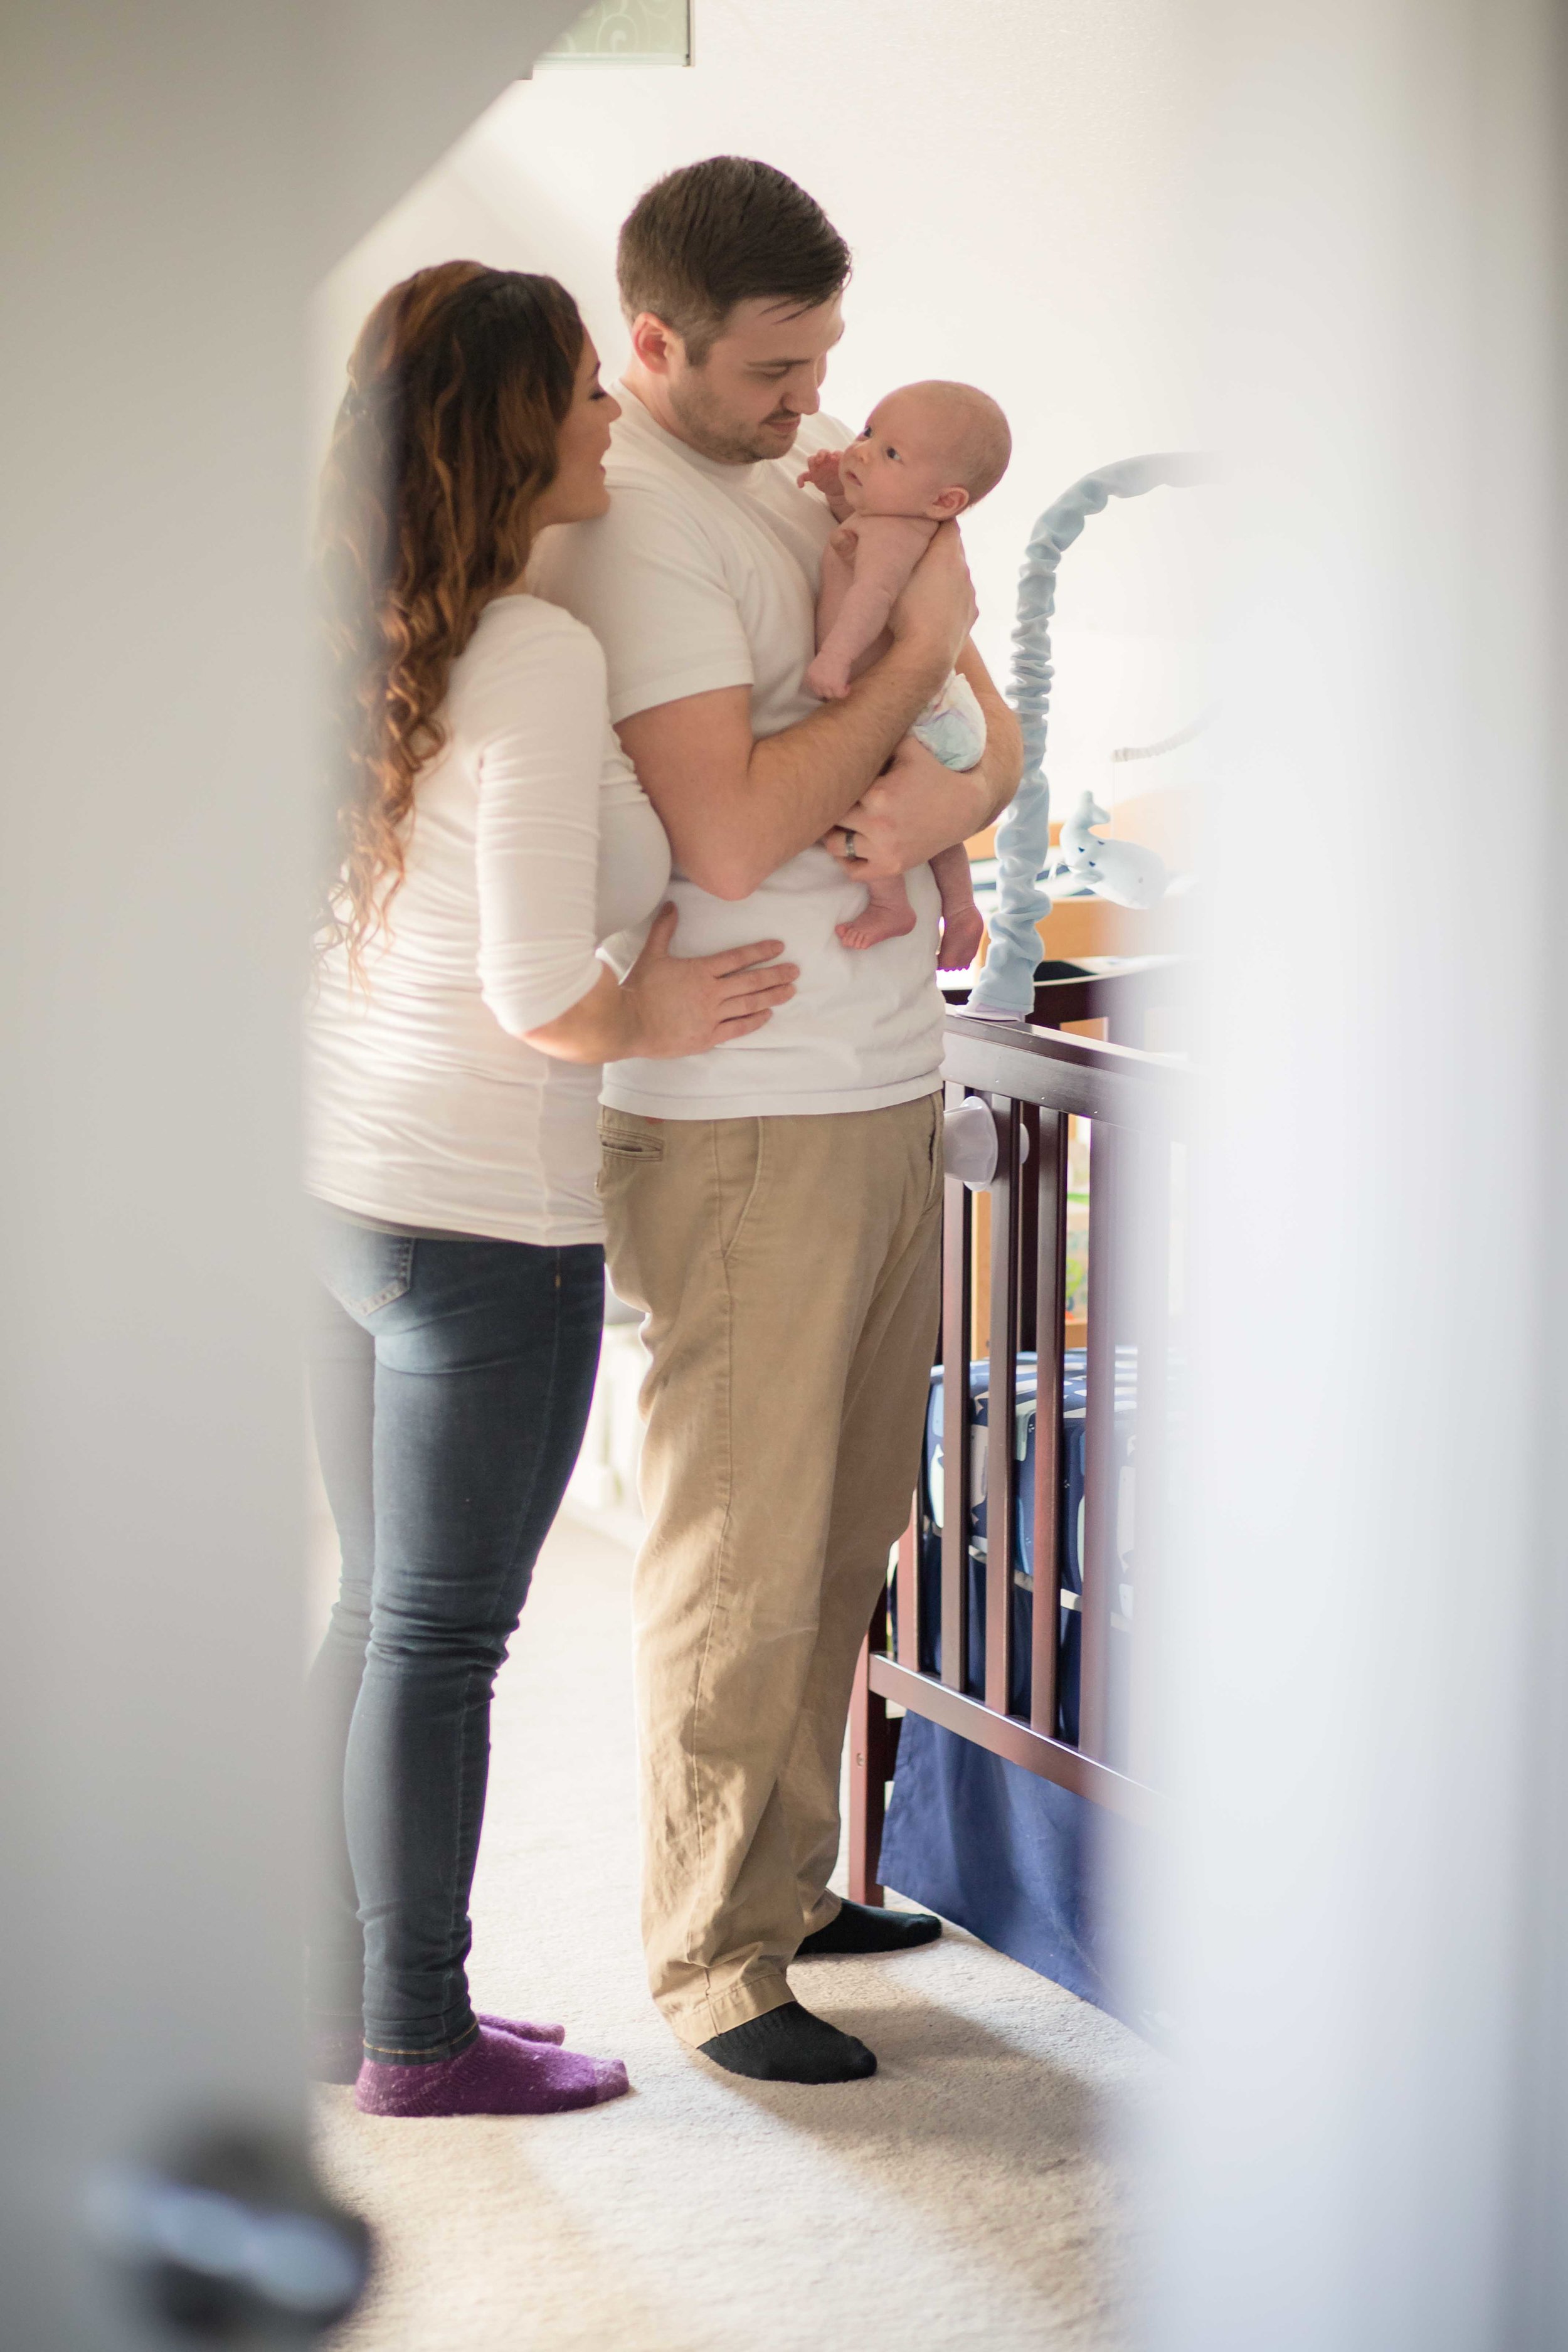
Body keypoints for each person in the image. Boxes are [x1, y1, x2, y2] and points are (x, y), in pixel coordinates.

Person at [529, 157, 1022, 2085]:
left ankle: (790, 1877)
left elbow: (988, 731)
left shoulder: (807, 448)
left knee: (836, 1536)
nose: (808, 398)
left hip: (874, 1070)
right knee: (735, 1553)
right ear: (650, 341)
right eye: (766, 370)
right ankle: (713, 1958)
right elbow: (733, 829)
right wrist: (914, 665)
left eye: (823, 359)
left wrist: (949, 777)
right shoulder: (638, 520)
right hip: (738, 1108)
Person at [304, 260, 797, 2118]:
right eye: (582, 389)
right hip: (474, 1223)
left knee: (374, 1615)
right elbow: (532, 990)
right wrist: (647, 1001)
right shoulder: (532, 649)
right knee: (441, 1635)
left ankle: (327, 1998)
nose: (607, 416)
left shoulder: (358, 625)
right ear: (517, 421)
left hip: (337, 1184)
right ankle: (419, 2036)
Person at [799, 379, 1011, 960]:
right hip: (946, 709)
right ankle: (964, 913)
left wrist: (835, 658)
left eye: (890, 453)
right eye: (869, 432)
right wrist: (834, 491)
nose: (861, 450)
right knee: (931, 823)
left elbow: (870, 597)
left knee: (869, 800)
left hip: (922, 710)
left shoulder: (894, 536)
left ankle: (893, 906)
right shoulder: (893, 519)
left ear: (945, 501)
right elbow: (854, 523)